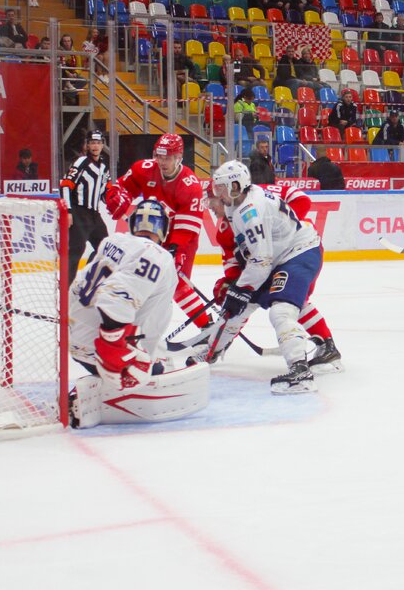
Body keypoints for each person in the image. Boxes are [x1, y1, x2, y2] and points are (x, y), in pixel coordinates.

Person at [67, 199, 210, 428]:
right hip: (103, 347)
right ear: (163, 229)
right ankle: (102, 395)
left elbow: (80, 288)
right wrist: (114, 348)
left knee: (159, 353)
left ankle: (106, 381)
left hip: (76, 340)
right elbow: (114, 300)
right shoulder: (157, 255)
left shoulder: (111, 241)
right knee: (158, 368)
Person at [203, 161, 330, 394]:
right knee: (241, 305)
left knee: (281, 309)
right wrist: (236, 288)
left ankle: (301, 371)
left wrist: (239, 288)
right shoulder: (237, 203)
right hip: (279, 257)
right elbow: (252, 258)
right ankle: (211, 353)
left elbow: (260, 261)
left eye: (220, 189)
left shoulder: (249, 211)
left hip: (299, 252)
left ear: (235, 186)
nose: (217, 195)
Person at [103, 133, 211, 330]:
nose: (162, 162)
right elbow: (121, 186)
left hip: (181, 237)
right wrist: (116, 195)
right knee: (142, 278)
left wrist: (174, 251)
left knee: (175, 283)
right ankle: (136, 324)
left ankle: (206, 325)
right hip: (151, 234)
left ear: (179, 158)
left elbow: (187, 228)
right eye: (159, 156)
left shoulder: (190, 185)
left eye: (167, 158)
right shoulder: (144, 169)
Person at [60, 130, 111, 282]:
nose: (95, 146)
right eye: (92, 143)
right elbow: (65, 186)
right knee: (76, 250)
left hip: (95, 215)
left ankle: (85, 278)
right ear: (87, 145)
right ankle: (66, 286)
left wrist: (115, 200)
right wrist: (68, 211)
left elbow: (105, 194)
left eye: (98, 143)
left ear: (103, 145)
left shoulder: (104, 168)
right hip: (79, 213)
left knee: (105, 248)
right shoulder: (81, 162)